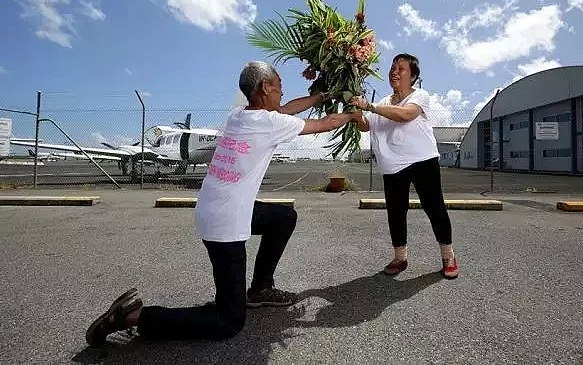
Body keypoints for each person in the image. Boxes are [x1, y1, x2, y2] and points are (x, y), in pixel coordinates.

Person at [85, 61, 362, 346]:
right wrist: (353, 114)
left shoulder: (239, 116)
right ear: (266, 88)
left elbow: (288, 109)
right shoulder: (269, 123)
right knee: (228, 322)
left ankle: (260, 290)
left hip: (220, 207)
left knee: (282, 217)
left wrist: (324, 96)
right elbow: (324, 124)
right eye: (279, 87)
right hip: (224, 223)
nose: (282, 93)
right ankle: (132, 317)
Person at [349, 53, 459, 279]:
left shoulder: (419, 96)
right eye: (392, 67)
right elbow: (365, 126)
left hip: (422, 160)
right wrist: (357, 113)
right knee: (396, 213)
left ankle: (448, 255)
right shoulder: (383, 103)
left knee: (434, 208)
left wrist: (368, 106)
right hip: (392, 166)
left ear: (413, 76)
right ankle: (400, 257)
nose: (394, 71)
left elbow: (406, 115)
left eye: (401, 68)